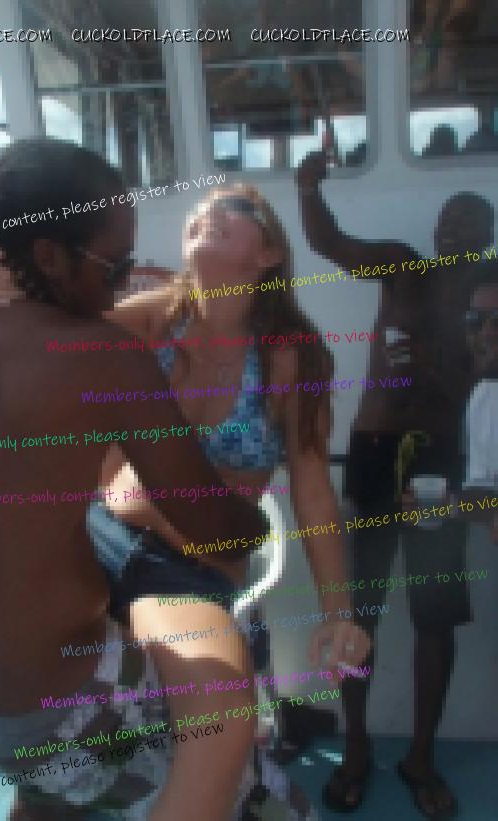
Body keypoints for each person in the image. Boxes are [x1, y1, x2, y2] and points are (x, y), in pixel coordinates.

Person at [0, 137, 271, 821]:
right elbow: (216, 527)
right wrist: (257, 518)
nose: (122, 286)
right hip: (59, 712)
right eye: (115, 266)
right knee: (256, 774)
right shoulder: (99, 355)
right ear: (48, 255)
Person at [0, 179, 373, 818]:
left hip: (188, 570)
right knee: (38, 747)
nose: (209, 213)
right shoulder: (151, 319)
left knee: (212, 729)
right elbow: (39, 331)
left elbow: (314, 494)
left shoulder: (291, 357)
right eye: (201, 210)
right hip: (98, 541)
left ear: (268, 254)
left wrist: (338, 612)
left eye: (234, 211)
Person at [298, 150, 494, 819]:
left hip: (441, 463)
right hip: (375, 457)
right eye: (447, 220)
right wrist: (308, 185)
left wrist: (435, 366)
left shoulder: (489, 296)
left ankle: (421, 757)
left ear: (487, 239)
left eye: (468, 223)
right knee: (357, 610)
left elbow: (478, 386)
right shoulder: (403, 267)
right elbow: (328, 242)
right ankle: (354, 747)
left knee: (434, 617)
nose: (452, 230)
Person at [460, 262, 498, 541]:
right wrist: (446, 503)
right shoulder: (484, 396)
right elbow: (484, 493)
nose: (486, 332)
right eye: (475, 320)